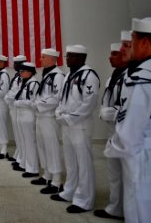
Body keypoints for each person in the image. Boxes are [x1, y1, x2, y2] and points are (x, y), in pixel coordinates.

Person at [105, 18, 151, 223]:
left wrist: (113, 145)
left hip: (141, 154)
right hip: (141, 149)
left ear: (144, 44)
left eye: (131, 40)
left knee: (138, 207)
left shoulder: (143, 78)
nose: (127, 46)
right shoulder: (138, 74)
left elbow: (131, 132)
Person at [52, 45, 100, 214]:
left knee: (83, 163)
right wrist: (59, 112)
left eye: (71, 56)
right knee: (70, 161)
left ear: (81, 58)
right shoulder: (69, 76)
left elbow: (89, 103)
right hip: (66, 124)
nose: (67, 59)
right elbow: (62, 99)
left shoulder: (89, 76)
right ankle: (70, 191)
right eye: (67, 56)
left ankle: (84, 200)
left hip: (80, 126)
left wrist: (70, 118)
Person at [93, 42, 128, 220]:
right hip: (112, 131)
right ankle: (115, 207)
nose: (109, 57)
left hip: (126, 131)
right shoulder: (112, 77)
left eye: (114, 54)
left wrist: (111, 112)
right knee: (114, 173)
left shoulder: (131, 77)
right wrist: (106, 111)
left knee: (129, 175)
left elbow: (129, 107)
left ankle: (128, 209)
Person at [33, 48, 65, 194]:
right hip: (41, 116)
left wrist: (39, 105)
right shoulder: (46, 74)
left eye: (43, 57)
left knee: (52, 147)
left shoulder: (57, 76)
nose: (41, 59)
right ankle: (47, 174)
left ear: (52, 59)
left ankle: (57, 180)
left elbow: (56, 97)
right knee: (42, 146)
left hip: (49, 117)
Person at [13, 62, 40, 177]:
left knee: (29, 142)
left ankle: (32, 169)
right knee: (23, 141)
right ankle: (24, 163)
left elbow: (34, 102)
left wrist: (20, 103)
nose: (20, 73)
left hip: (28, 115)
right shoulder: (25, 83)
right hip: (21, 115)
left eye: (22, 71)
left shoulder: (34, 84)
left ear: (29, 72)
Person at [5, 55, 27, 166]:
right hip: (13, 107)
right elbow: (12, 91)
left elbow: (18, 93)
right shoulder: (17, 76)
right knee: (17, 134)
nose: (14, 66)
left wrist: (9, 97)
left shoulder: (24, 77)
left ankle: (22, 158)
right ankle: (19, 155)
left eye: (16, 64)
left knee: (22, 135)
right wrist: (8, 97)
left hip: (18, 107)